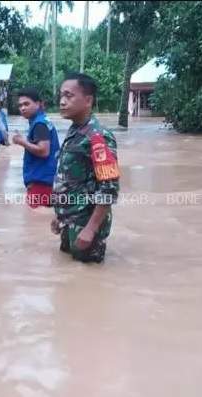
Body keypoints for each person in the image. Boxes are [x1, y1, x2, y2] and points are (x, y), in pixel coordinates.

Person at [51, 73, 120, 263]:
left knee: (89, 283)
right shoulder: (75, 130)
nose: (62, 102)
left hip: (85, 224)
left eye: (69, 96)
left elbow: (109, 188)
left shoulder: (98, 136)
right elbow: (70, 179)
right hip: (69, 221)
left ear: (88, 100)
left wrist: (91, 229)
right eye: (61, 96)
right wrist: (60, 214)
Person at [11, 88, 60, 208]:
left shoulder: (39, 124)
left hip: (40, 182)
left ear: (38, 104)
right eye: (20, 105)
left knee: (34, 219)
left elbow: (44, 151)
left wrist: (22, 142)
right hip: (47, 179)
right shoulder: (42, 121)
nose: (22, 108)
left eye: (26, 104)